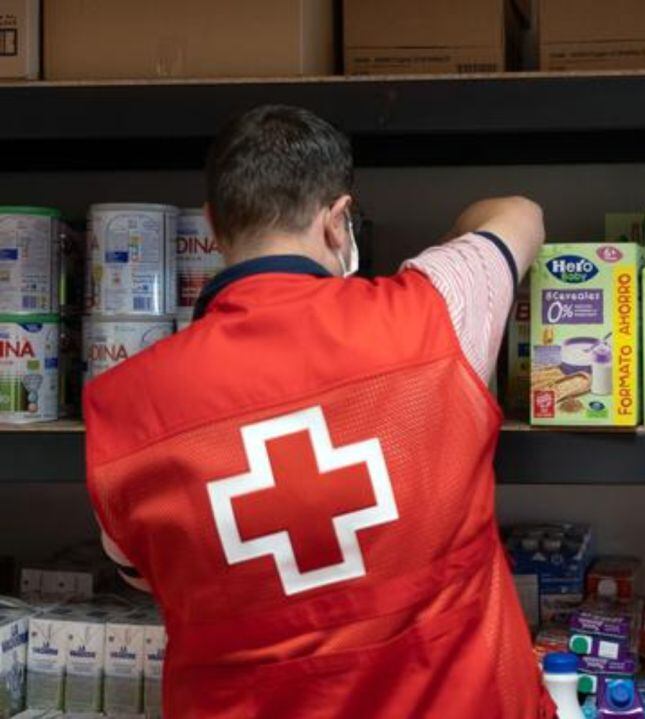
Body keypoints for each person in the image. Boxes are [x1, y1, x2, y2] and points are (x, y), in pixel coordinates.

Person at [83, 105, 553, 718]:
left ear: (213, 227)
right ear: (339, 222)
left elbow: (143, 576)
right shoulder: (436, 312)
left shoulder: (122, 404)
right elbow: (519, 214)